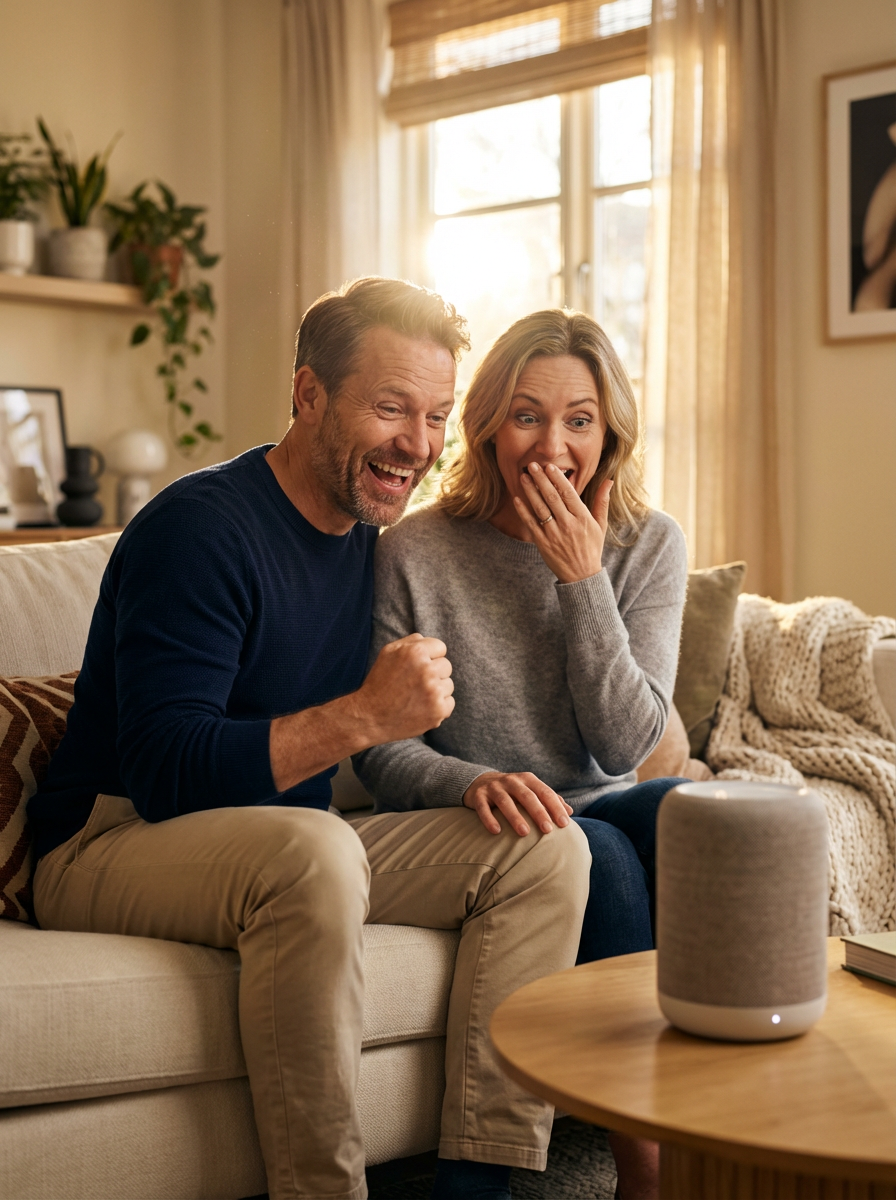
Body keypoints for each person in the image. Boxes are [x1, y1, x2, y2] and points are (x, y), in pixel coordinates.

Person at [28, 279, 593, 1200]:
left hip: (283, 842)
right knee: (316, 847)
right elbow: (166, 771)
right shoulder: (201, 529)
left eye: (438, 417)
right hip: (109, 838)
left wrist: (469, 780)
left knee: (545, 847)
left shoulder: (372, 543)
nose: (417, 445)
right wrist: (365, 715)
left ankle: (483, 1184)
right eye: (390, 408)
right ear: (308, 396)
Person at [354, 309, 691, 1200]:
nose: (553, 444)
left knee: (676, 811)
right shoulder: (413, 551)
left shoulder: (649, 546)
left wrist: (581, 576)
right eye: (528, 415)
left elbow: (629, 744)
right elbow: (386, 755)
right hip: (491, 819)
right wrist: (477, 784)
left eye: (579, 419)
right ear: (489, 427)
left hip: (602, 797)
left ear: (608, 431)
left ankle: (728, 1117)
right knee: (602, 852)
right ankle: (646, 1168)